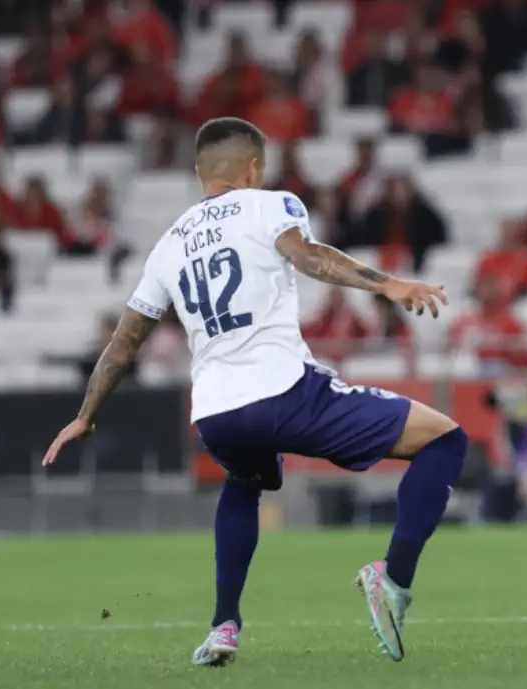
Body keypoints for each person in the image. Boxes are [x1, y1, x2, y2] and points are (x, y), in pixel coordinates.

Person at [41, 117, 462, 665]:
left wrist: (85, 415)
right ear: (255, 167)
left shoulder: (169, 245)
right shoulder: (270, 205)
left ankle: (224, 626)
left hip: (216, 413)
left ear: (199, 173)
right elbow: (310, 258)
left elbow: (123, 344)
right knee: (444, 440)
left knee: (244, 481)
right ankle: (394, 579)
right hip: (285, 393)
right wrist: (390, 284)